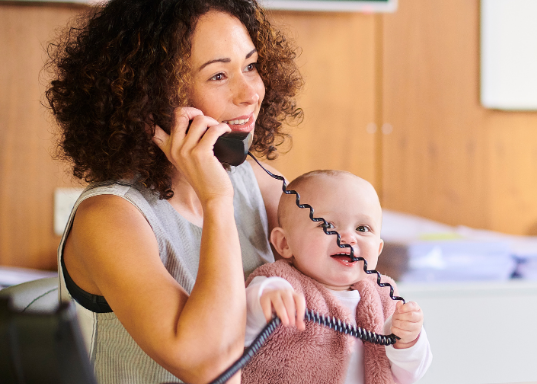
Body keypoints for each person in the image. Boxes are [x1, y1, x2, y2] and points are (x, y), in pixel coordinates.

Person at [46, 0, 302, 382]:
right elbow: (208, 363)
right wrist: (217, 202)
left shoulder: (256, 182)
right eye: (218, 76)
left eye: (250, 66)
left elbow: (338, 283)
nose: (250, 93)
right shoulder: (109, 218)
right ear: (152, 98)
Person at [242, 170, 431, 384]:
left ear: (378, 249)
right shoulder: (279, 285)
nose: (348, 238)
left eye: (362, 228)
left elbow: (409, 374)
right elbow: (235, 331)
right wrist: (264, 301)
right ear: (285, 243)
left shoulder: (383, 299)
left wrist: (408, 340)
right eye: (327, 226)